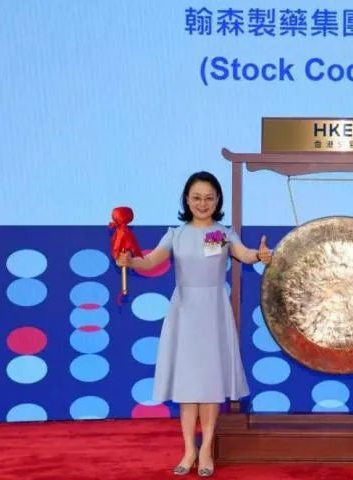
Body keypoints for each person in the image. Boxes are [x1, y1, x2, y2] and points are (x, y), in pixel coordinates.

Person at [117, 171, 271, 477]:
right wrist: (130, 261)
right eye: (197, 197)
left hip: (214, 311)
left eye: (209, 198)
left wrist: (260, 255)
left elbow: (244, 254)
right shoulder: (175, 234)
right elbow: (151, 260)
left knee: (210, 385)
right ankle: (189, 449)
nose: (203, 203)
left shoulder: (224, 233)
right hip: (184, 312)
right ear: (187, 200)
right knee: (187, 386)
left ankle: (206, 450)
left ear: (218, 200)